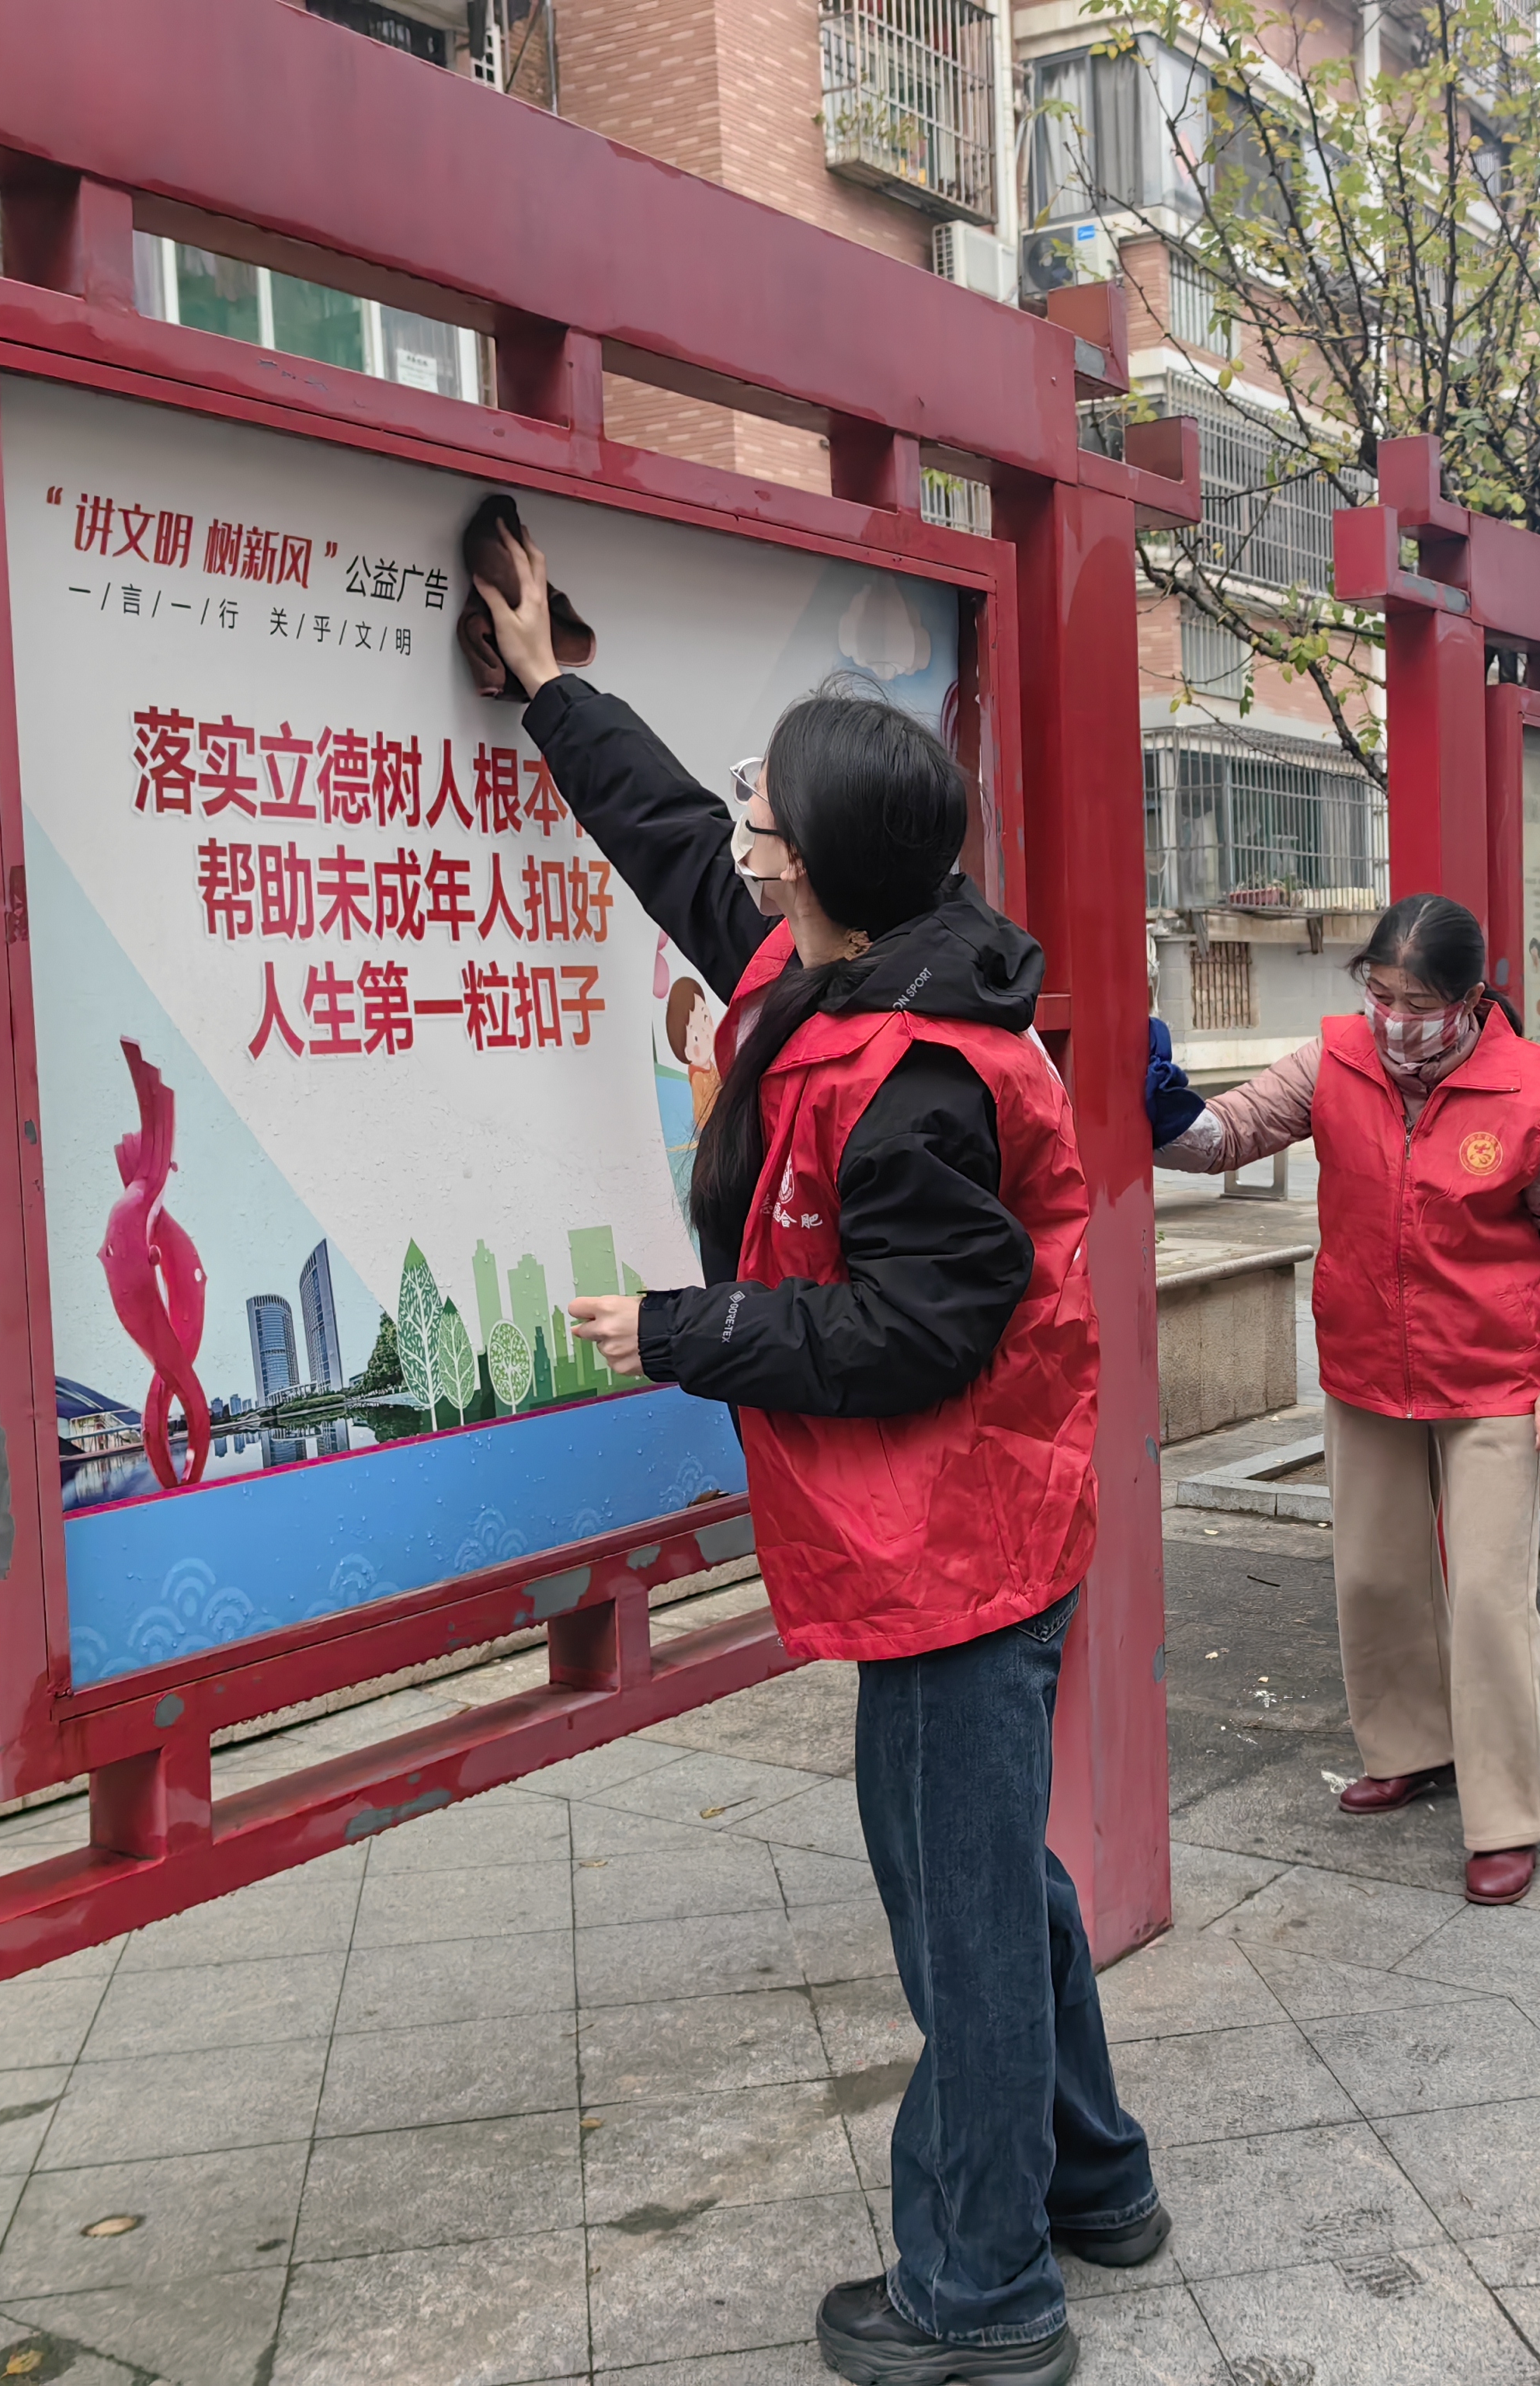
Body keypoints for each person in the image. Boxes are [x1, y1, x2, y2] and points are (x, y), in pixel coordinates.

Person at [478, 527, 1155, 2386]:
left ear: (830, 863)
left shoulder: (918, 1074)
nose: (746, 830)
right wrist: (553, 688)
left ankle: (983, 2287)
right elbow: (674, 850)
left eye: (768, 809)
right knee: (992, 1884)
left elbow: (914, 1332)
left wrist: (681, 1331)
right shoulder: (843, 971)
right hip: (956, 1533)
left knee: (961, 1917)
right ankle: (1095, 2179)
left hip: (961, 1551)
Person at [1150, 896, 1540, 1907]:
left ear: (1470, 999)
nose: (1396, 1021)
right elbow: (1227, 1136)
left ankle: (1505, 1816)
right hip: (1368, 1365)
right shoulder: (1333, 1061)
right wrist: (1164, 1113)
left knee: (1487, 1600)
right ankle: (1411, 1746)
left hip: (1490, 1377)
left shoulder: (1531, 1092)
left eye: (1419, 1004)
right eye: (1381, 995)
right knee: (1374, 1577)